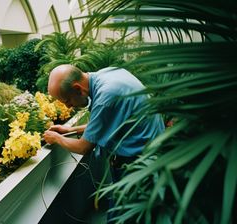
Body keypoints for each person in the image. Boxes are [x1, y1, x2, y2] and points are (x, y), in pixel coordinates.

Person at [43, 64, 164, 221]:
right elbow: (105, 121)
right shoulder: (109, 73)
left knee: (120, 218)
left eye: (67, 101)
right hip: (150, 155)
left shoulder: (106, 95)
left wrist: (57, 138)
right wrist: (68, 131)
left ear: (78, 88)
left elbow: (83, 147)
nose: (68, 107)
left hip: (138, 165)